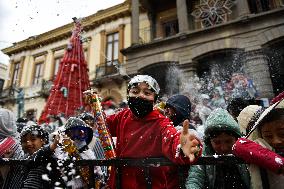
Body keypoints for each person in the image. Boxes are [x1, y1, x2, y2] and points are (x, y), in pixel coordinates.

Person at [102, 75, 202, 189]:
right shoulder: (122, 116)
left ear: (154, 99)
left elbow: (173, 139)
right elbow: (103, 125)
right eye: (135, 91)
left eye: (147, 93)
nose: (140, 95)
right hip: (118, 183)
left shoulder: (161, 122)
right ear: (128, 95)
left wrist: (185, 145)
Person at [186, 108, 250, 189]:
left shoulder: (246, 151)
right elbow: (195, 178)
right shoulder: (203, 154)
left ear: (236, 139)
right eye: (217, 142)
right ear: (209, 142)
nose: (223, 148)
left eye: (228, 141)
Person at [233, 98, 284, 189]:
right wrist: (278, 163)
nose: (276, 141)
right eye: (268, 136)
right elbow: (239, 145)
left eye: (282, 134)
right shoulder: (260, 145)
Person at [2, 124, 65, 189]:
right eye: (24, 141)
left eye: (33, 139)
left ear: (43, 140)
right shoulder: (23, 158)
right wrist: (6, 161)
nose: (28, 143)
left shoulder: (46, 160)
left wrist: (53, 146)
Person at [63, 117, 105, 189]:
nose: (76, 138)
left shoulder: (89, 154)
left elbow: (100, 176)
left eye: (81, 133)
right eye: (71, 134)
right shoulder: (64, 156)